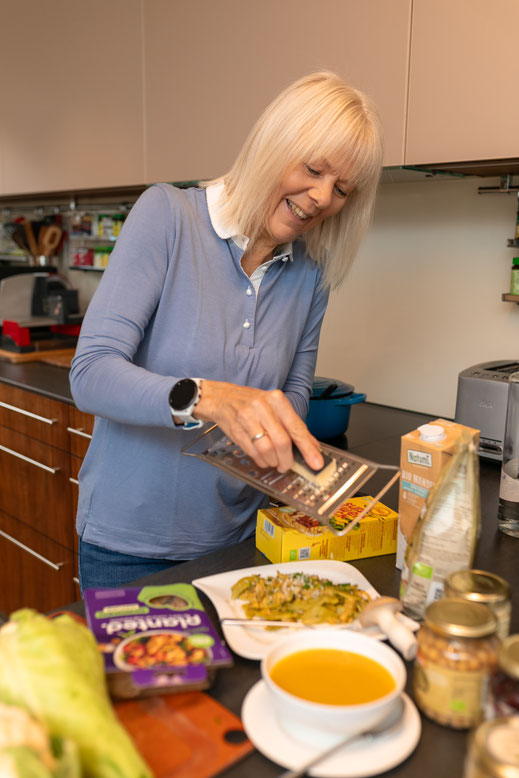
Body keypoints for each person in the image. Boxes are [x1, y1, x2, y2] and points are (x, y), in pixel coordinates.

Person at [69, 70, 384, 591]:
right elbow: (92, 375)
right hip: (130, 546)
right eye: (313, 169)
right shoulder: (168, 216)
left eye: (342, 188)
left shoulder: (311, 273)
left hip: (242, 538)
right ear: (275, 142)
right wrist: (210, 399)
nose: (322, 197)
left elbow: (295, 392)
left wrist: (290, 451)